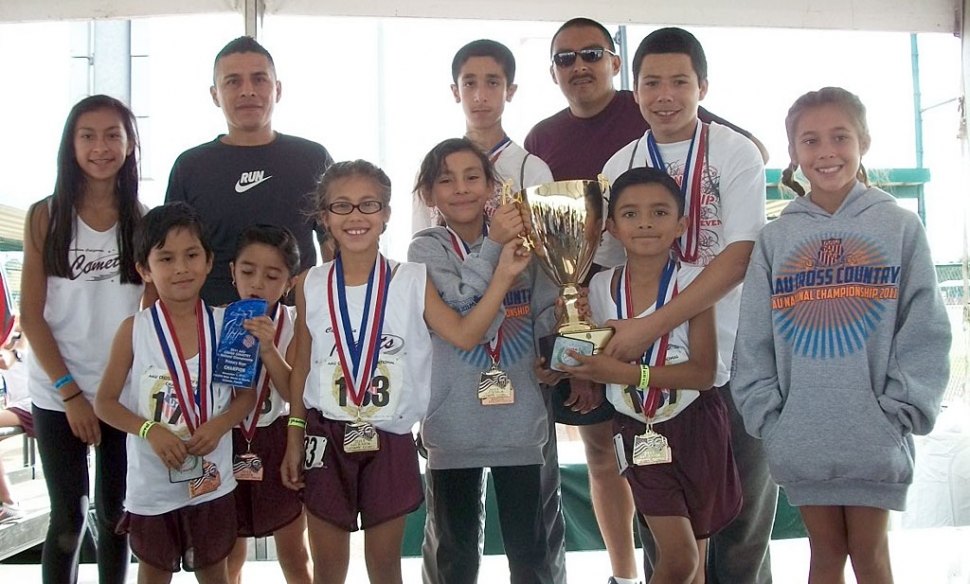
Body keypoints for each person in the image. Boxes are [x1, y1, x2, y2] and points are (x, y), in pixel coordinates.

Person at [525, 19, 766, 584]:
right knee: (667, 528)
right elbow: (597, 268)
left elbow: (739, 257)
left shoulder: (735, 153)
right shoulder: (619, 167)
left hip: (735, 358)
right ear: (635, 88)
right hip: (644, 378)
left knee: (739, 520)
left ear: (702, 87)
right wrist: (579, 353)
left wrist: (648, 326)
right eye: (652, 82)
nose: (665, 96)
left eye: (679, 82)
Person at [732, 86, 951, 584]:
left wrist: (902, 409)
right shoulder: (776, 238)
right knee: (825, 554)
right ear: (793, 154)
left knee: (870, 556)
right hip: (802, 436)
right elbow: (753, 339)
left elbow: (926, 327)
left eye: (839, 136)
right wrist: (771, 418)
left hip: (875, 434)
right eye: (810, 141)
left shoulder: (899, 226)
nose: (826, 151)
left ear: (864, 141)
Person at [280, 160, 530, 584]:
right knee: (328, 570)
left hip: (390, 439)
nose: (356, 216)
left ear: (386, 213)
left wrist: (503, 276)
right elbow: (302, 365)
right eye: (341, 206)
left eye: (368, 205)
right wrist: (293, 435)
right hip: (325, 435)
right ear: (324, 218)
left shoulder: (411, 278)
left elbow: (465, 335)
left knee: (385, 568)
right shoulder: (309, 283)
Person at [413, 40, 555, 584]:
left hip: (520, 417)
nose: (461, 188)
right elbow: (464, 310)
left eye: (473, 177)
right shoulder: (426, 250)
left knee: (530, 554)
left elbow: (542, 308)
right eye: (446, 179)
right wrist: (494, 249)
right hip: (453, 423)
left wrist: (558, 354)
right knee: (455, 558)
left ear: (494, 187)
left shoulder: (526, 243)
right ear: (429, 192)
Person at [562, 166, 741, 584]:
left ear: (681, 225)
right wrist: (566, 360)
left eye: (660, 213)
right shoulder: (599, 289)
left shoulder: (695, 283)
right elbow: (586, 357)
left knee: (696, 563)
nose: (644, 222)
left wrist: (625, 373)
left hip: (698, 426)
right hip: (637, 428)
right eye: (630, 214)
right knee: (679, 560)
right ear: (610, 228)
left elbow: (702, 373)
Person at [20, 94, 149, 584]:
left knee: (117, 515)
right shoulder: (45, 216)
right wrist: (71, 393)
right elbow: (31, 316)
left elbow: (150, 315)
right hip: (59, 393)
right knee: (68, 520)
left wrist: (109, 395)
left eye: (113, 135)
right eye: (88, 136)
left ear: (130, 144)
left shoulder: (142, 219)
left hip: (120, 393)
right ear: (71, 145)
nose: (101, 147)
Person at [95, 202, 257, 583]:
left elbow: (246, 397)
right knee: (153, 571)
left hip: (212, 481)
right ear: (144, 270)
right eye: (166, 258)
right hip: (152, 486)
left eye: (191, 255)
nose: (181, 267)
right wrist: (151, 431)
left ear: (208, 260)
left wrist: (219, 426)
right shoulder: (133, 330)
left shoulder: (228, 326)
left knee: (214, 570)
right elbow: (104, 403)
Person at [165, 36, 334, 306]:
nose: (247, 91)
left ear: (277, 89)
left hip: (298, 326)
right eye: (233, 81)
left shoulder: (312, 158)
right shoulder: (191, 166)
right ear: (214, 95)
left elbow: (333, 243)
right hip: (213, 324)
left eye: (259, 79)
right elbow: (172, 253)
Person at [225, 225, 311, 584]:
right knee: (228, 551)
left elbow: (295, 394)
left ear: (289, 282)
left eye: (272, 275)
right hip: (227, 440)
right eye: (247, 272)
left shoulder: (293, 324)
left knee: (293, 552)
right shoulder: (217, 321)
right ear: (232, 272)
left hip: (278, 441)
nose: (257, 283)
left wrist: (268, 348)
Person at [412, 39, 553, 236]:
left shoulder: (532, 170)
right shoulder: (432, 167)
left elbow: (545, 249)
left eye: (492, 83)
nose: (480, 96)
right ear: (456, 92)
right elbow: (420, 240)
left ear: (510, 91)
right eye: (469, 83)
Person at [0, 317, 31, 523]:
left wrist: (9, 337)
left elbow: (5, 361)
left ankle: (10, 502)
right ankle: (8, 501)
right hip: (20, 405)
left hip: (29, 406)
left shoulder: (18, 348)